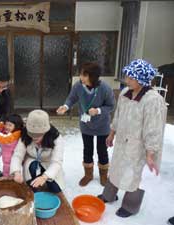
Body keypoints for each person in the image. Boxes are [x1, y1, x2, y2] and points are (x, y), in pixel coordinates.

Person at [98, 59, 167, 218]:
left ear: (142, 79)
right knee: (116, 168)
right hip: (122, 141)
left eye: (131, 78)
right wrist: (112, 133)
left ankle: (130, 206)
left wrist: (150, 153)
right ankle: (109, 195)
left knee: (133, 175)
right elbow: (118, 115)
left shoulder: (152, 100)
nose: (126, 80)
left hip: (138, 146)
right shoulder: (124, 93)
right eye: (127, 76)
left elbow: (154, 129)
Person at [57, 62, 115, 187]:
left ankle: (104, 175)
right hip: (86, 124)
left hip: (102, 125)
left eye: (84, 75)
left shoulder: (105, 88)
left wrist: (98, 110)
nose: (80, 77)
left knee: (102, 150)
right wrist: (66, 106)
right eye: (81, 74)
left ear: (92, 76)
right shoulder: (78, 86)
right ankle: (88, 175)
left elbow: (111, 106)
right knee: (87, 149)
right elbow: (72, 98)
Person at [10, 109, 65, 193]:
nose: (34, 138)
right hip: (32, 160)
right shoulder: (25, 134)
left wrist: (44, 177)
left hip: (48, 162)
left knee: (56, 189)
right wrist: (16, 172)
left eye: (38, 135)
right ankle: (33, 182)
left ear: (46, 132)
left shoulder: (56, 138)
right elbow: (17, 155)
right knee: (31, 185)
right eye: (32, 135)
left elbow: (57, 162)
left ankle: (43, 175)